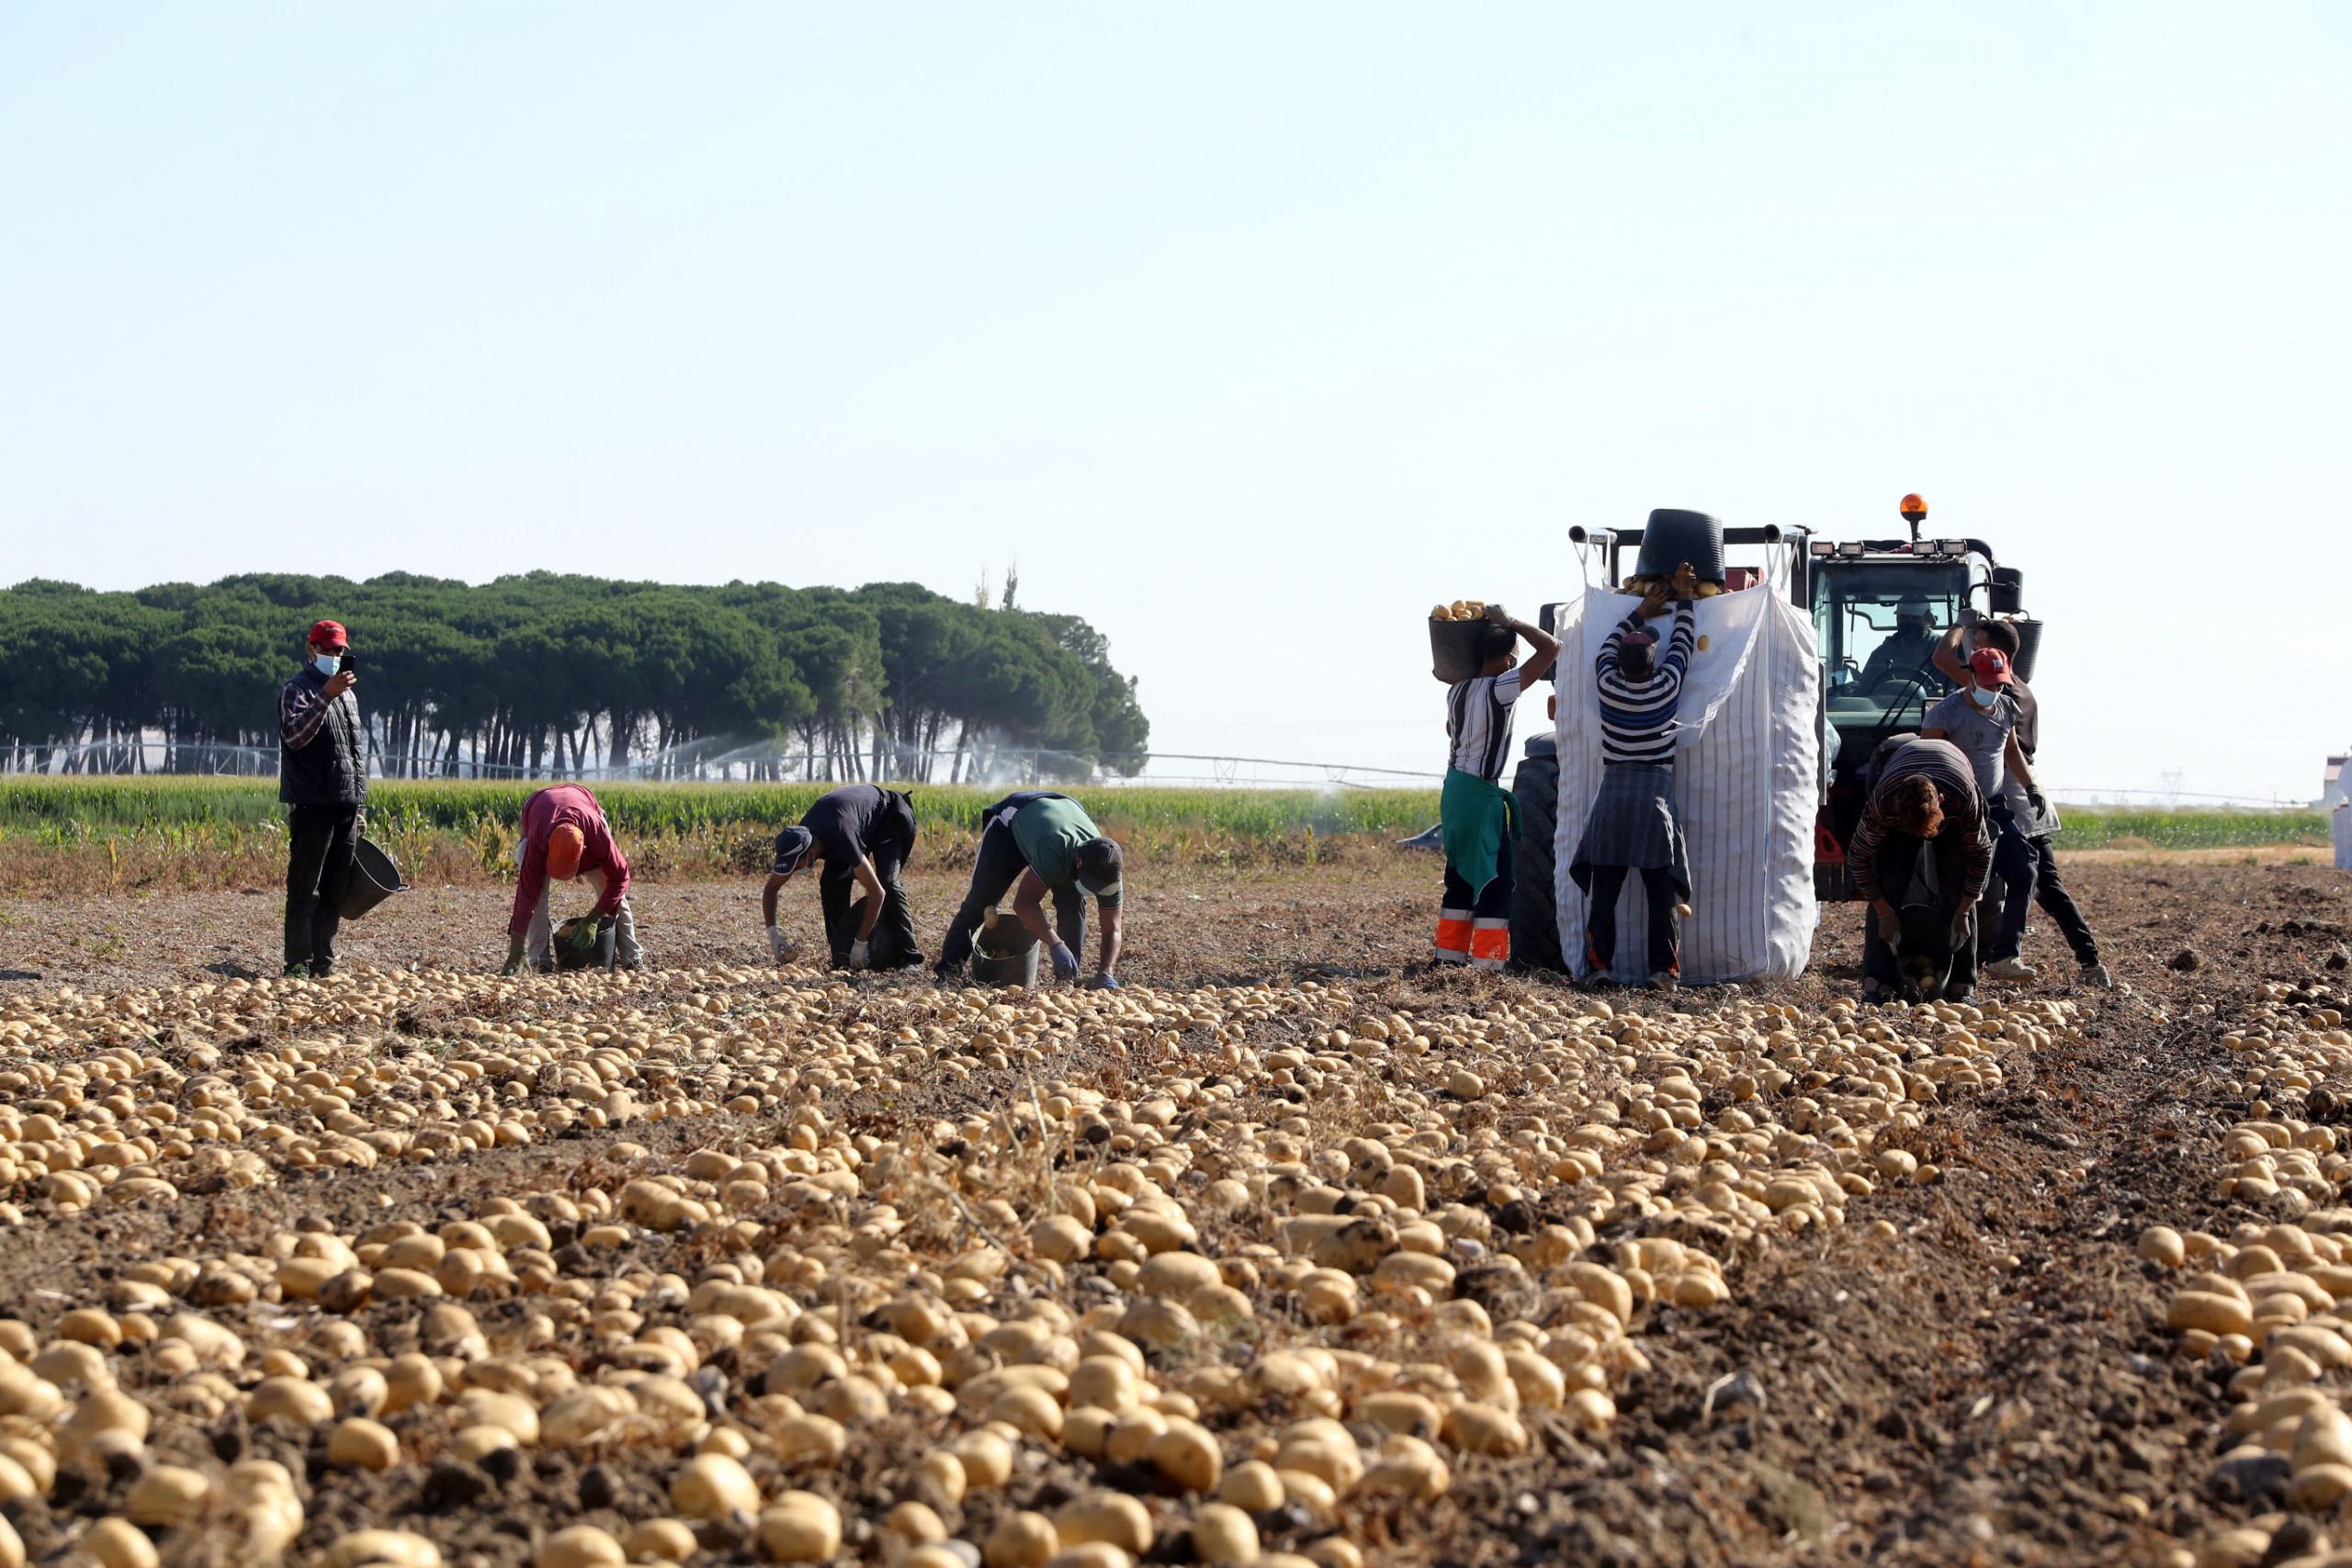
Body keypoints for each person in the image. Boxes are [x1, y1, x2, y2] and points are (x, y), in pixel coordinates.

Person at [1934, 618, 2112, 988]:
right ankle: (2085, 960)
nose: (1972, 651)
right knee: (2041, 882)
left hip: (2013, 797)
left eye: (1978, 644)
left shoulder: (2000, 692)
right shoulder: (2022, 689)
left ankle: (2075, 959)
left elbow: (1941, 658)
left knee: (2037, 880)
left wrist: (1956, 626)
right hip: (2024, 794)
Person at [1567, 566, 1694, 987]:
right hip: (1653, 801)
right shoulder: (1666, 687)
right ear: (1652, 663)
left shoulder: (1607, 684)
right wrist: (1685, 597)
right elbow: (1684, 643)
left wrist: (1641, 610)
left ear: (1620, 665)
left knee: (1604, 895)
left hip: (1614, 797)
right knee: (1661, 895)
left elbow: (1605, 648)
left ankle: (1599, 969)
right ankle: (1664, 972)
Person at [1436, 604, 1562, 971]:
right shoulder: (1500, 689)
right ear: (1508, 660)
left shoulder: (1457, 691)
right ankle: (1487, 965)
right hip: (1479, 794)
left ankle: (1448, 959)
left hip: (1455, 791)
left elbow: (1452, 732)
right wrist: (1514, 622)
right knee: (1497, 879)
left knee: (1460, 875)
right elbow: (1552, 648)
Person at [1920, 646, 2043, 983]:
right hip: (1954, 810)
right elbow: (1928, 760)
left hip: (1992, 805)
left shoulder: (2007, 708)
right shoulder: (1945, 715)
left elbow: (2010, 750)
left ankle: (2005, 956)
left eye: (1999, 684)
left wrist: (2031, 787)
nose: (1994, 690)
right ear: (1971, 676)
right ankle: (1952, 973)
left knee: (2025, 872)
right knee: (1958, 889)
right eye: (1988, 684)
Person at [1849, 735, 1994, 1004]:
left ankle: (1963, 984)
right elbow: (1858, 857)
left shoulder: (1961, 797)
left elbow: (1981, 854)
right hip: (1899, 812)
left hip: (1951, 803)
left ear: (1939, 799)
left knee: (1957, 885)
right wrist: (1884, 913)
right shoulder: (1883, 804)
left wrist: (1962, 910)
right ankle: (1876, 982)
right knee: (1889, 884)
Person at [935, 791, 1125, 987]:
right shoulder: (1055, 853)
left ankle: (1065, 979)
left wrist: (1106, 971)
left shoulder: (1110, 870)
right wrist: (1055, 944)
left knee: (1073, 903)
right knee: (982, 901)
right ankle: (948, 973)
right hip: (1012, 823)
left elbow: (1113, 928)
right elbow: (1024, 904)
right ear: (1078, 862)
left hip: (1061, 818)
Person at [279, 619, 366, 979]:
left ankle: (323, 963)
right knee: (305, 888)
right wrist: (325, 695)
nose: (335, 656)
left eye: (340, 651)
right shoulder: (296, 690)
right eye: (328, 650)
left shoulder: (349, 696)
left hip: (344, 804)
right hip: (312, 803)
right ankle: (297, 964)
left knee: (334, 891)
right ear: (311, 649)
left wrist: (359, 805)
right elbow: (295, 736)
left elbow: (354, 753)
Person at [763, 784, 923, 970]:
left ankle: (909, 956)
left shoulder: (841, 835)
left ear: (809, 854)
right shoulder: (798, 836)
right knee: (831, 885)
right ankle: (841, 956)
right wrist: (772, 932)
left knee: (888, 883)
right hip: (856, 823)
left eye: (795, 865)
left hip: (891, 818)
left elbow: (876, 892)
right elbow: (772, 888)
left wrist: (861, 942)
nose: (793, 871)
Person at [503, 784, 641, 974]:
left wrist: (594, 918)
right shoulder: (537, 844)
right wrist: (516, 948)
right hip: (540, 812)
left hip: (585, 810)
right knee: (537, 895)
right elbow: (526, 897)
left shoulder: (597, 834)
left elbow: (620, 877)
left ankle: (633, 958)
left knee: (612, 890)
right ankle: (539, 961)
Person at [1855, 593, 1945, 696]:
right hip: (1883, 711)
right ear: (1897, 619)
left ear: (1928, 620)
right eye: (1904, 618)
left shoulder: (1943, 650)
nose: (1909, 623)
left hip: (1930, 711)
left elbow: (1959, 689)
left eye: (1915, 618)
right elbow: (1862, 692)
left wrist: (1943, 693)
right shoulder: (1881, 654)